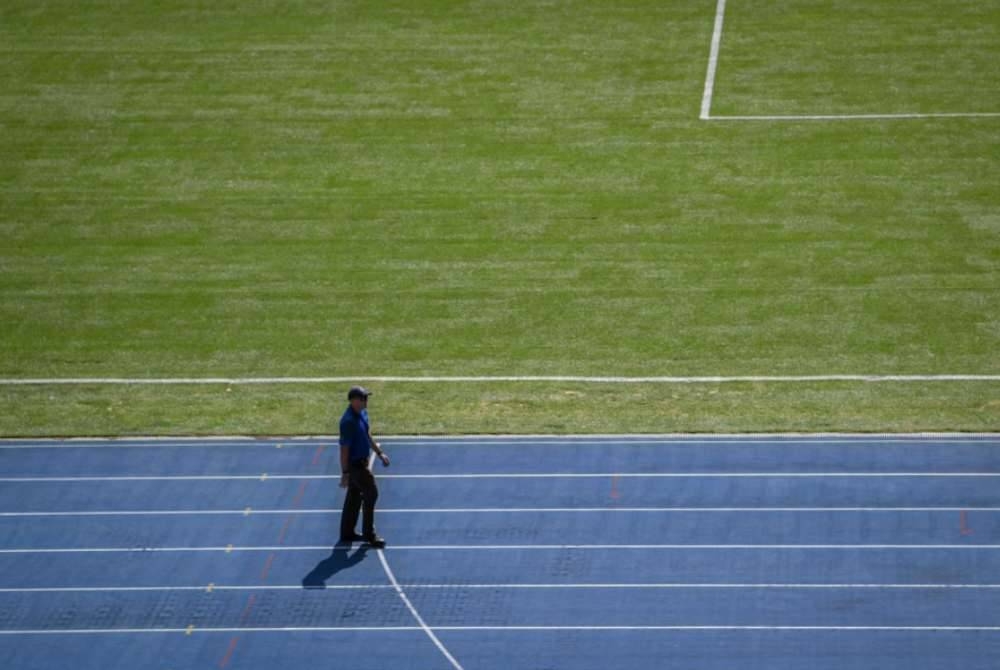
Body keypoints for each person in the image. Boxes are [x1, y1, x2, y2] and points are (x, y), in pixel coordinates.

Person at [339, 386, 390, 548]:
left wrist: (379, 453)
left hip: (363, 461)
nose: (366, 401)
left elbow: (367, 436)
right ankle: (370, 534)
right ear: (354, 401)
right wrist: (345, 472)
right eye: (363, 398)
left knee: (354, 496)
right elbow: (344, 449)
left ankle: (347, 532)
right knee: (371, 493)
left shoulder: (362, 414)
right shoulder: (347, 422)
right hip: (356, 465)